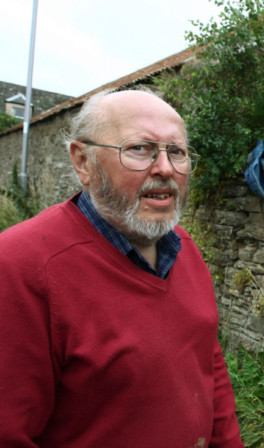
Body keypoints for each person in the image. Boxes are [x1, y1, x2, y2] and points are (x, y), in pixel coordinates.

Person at [0, 88, 244, 447]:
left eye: (176, 152)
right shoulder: (21, 266)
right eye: (139, 149)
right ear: (83, 162)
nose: (164, 168)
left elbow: (208, 365)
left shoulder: (185, 249)